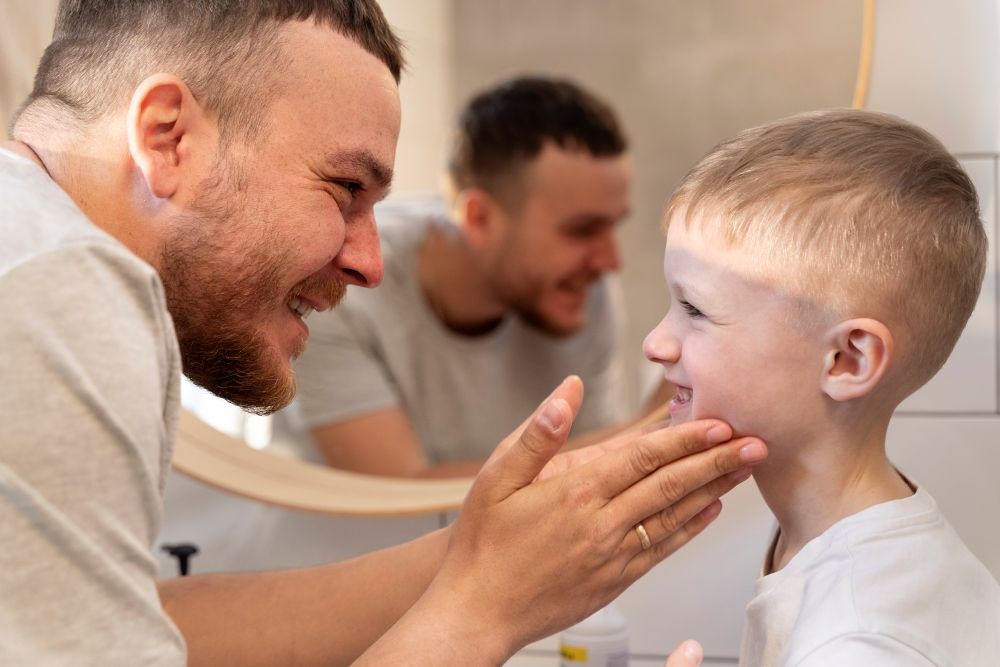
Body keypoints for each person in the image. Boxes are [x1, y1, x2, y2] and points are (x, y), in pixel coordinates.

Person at [0, 2, 768, 665]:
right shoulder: (62, 285)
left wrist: (482, 558)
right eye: (344, 188)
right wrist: (483, 609)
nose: (369, 262)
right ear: (167, 137)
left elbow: (157, 623)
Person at [643, 109, 1000, 666]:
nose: (657, 342)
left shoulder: (863, 641)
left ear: (847, 359)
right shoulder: (830, 549)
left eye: (693, 309)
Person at [287, 75, 672, 478]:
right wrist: (649, 427)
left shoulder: (580, 286)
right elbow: (398, 493)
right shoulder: (342, 282)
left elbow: (591, 468)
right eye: (582, 230)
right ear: (480, 218)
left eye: (612, 226)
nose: (610, 262)